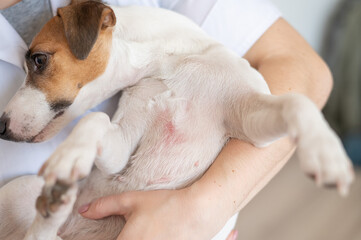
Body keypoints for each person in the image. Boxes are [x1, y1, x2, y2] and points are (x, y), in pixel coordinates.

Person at [0, 0, 333, 239]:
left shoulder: (202, 67)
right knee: (21, 197)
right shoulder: (139, 84)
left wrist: (201, 210)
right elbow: (114, 160)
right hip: (64, 216)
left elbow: (303, 69)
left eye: (41, 62)